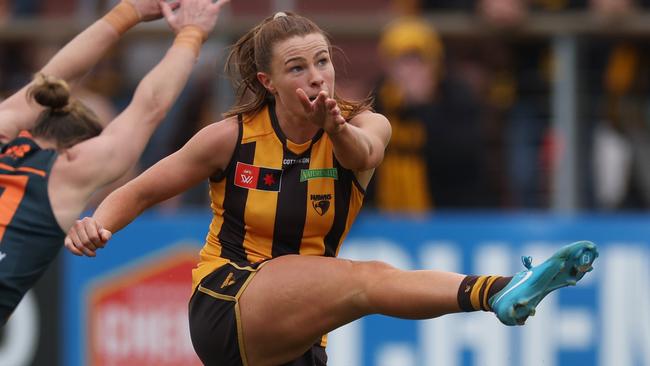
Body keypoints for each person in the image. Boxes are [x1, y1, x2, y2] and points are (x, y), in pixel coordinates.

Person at [65, 11, 599, 366]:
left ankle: (497, 292)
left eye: (322, 61)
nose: (317, 77)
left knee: (358, 282)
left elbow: (363, 156)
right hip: (227, 301)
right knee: (365, 280)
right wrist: (99, 223)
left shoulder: (367, 126)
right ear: (268, 84)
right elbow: (138, 191)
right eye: (297, 68)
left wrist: (336, 127)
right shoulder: (230, 138)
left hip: (300, 336)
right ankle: (496, 291)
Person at [0, 0, 230, 325]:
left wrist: (129, 12)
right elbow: (148, 108)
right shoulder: (64, 174)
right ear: (75, 147)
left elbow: (52, 77)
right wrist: (191, 34)